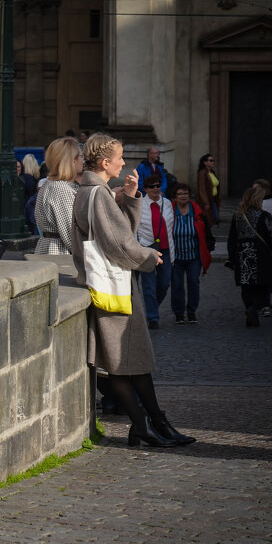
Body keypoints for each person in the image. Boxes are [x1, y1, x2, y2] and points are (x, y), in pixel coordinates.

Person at [70, 133, 193, 447]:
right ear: (104, 162)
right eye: (119, 158)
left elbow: (120, 232)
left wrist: (130, 196)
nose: (124, 163)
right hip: (115, 288)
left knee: (127, 362)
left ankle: (149, 424)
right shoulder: (97, 193)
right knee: (127, 362)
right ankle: (147, 424)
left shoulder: (92, 191)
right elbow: (118, 243)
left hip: (111, 285)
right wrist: (148, 256)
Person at [228, 186, 272, 328]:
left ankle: (250, 312)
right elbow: (270, 236)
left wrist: (232, 257)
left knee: (246, 287)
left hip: (242, 254)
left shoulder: (237, 216)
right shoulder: (264, 216)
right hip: (260, 254)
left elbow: (231, 238)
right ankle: (253, 309)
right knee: (263, 285)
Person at [168, 183, 211, 325]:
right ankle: (179, 314)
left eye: (185, 193)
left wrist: (209, 246)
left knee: (193, 282)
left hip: (194, 256)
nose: (183, 196)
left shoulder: (197, 211)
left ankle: (192, 311)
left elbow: (206, 231)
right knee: (177, 285)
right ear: (175, 197)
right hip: (176, 257)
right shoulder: (170, 211)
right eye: (180, 194)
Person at [136, 174, 174, 329]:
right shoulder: (139, 205)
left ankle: (152, 307)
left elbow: (171, 227)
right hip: (147, 249)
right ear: (145, 189)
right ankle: (153, 317)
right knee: (149, 285)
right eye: (152, 186)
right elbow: (135, 229)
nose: (156, 189)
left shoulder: (168, 203)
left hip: (165, 249)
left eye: (158, 185)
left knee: (165, 283)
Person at [33, 136, 82, 256]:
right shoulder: (61, 189)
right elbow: (70, 234)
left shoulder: (54, 184)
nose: (83, 160)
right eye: (80, 156)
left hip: (53, 248)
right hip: (59, 252)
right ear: (72, 160)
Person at [196, 154, 221, 226]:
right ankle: (206, 234)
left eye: (213, 160)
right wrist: (206, 202)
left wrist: (218, 199)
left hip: (213, 199)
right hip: (207, 200)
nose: (213, 162)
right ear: (205, 162)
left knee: (213, 218)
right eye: (210, 160)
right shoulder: (202, 173)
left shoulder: (212, 173)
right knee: (209, 218)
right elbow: (202, 189)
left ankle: (207, 233)